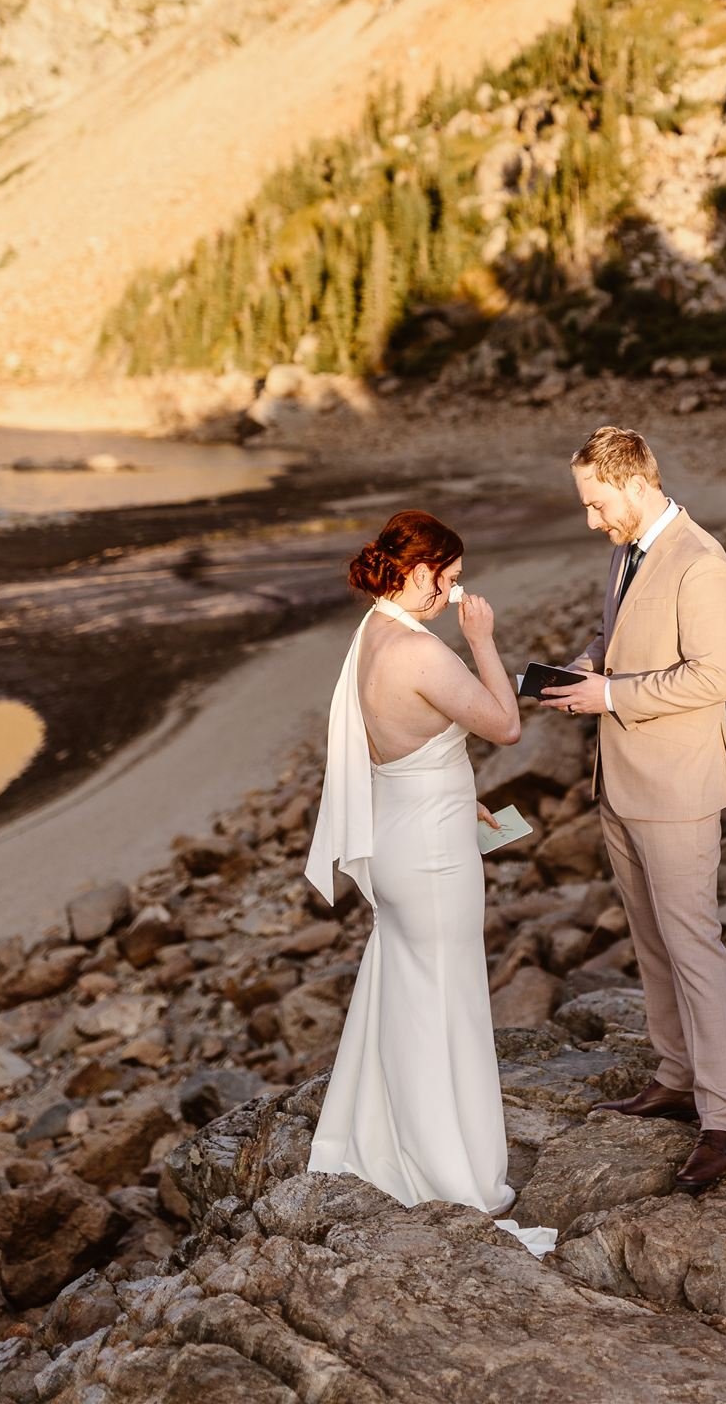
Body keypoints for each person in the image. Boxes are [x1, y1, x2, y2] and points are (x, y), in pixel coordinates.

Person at [304, 508, 555, 1256]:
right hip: (433, 856)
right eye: (447, 578)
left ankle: (381, 1138)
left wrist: (457, 789)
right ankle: (451, 1168)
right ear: (418, 571)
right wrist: (480, 638)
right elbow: (504, 726)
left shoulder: (372, 634)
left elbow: (400, 744)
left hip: (399, 836)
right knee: (447, 1003)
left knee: (405, 991)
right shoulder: (419, 651)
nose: (454, 592)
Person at [542, 427, 726, 1193]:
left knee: (694, 944)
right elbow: (619, 635)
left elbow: (712, 678)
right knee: (649, 938)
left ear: (631, 483)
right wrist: (586, 665)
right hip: (620, 781)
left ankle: (724, 1120)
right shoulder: (623, 552)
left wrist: (611, 696)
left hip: (678, 787)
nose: (592, 521)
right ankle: (673, 1075)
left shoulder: (701, 561)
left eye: (596, 504)